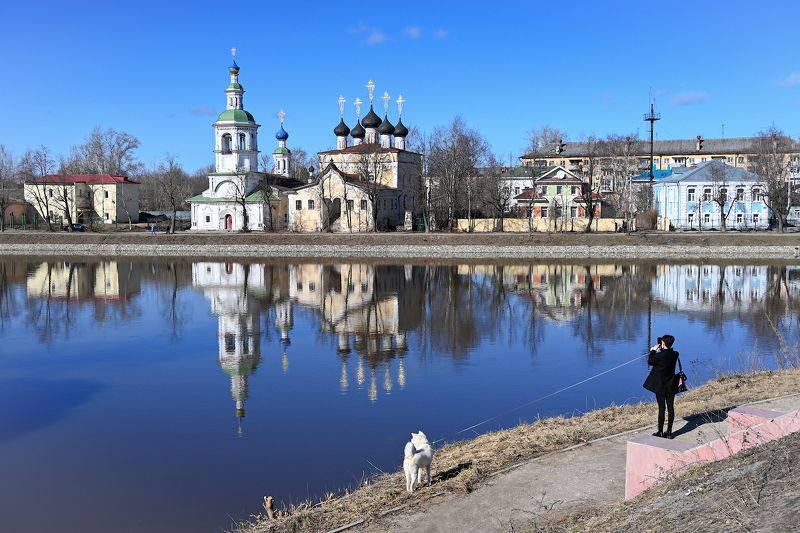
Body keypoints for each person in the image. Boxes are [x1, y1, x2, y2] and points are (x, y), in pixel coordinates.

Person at [643, 334, 679, 439]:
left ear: (663, 343)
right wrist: (661, 349)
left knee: (661, 409)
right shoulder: (675, 354)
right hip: (671, 385)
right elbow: (668, 354)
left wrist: (653, 350)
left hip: (660, 386)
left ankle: (660, 432)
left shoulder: (659, 356)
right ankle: (669, 433)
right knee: (671, 408)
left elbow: (650, 362)